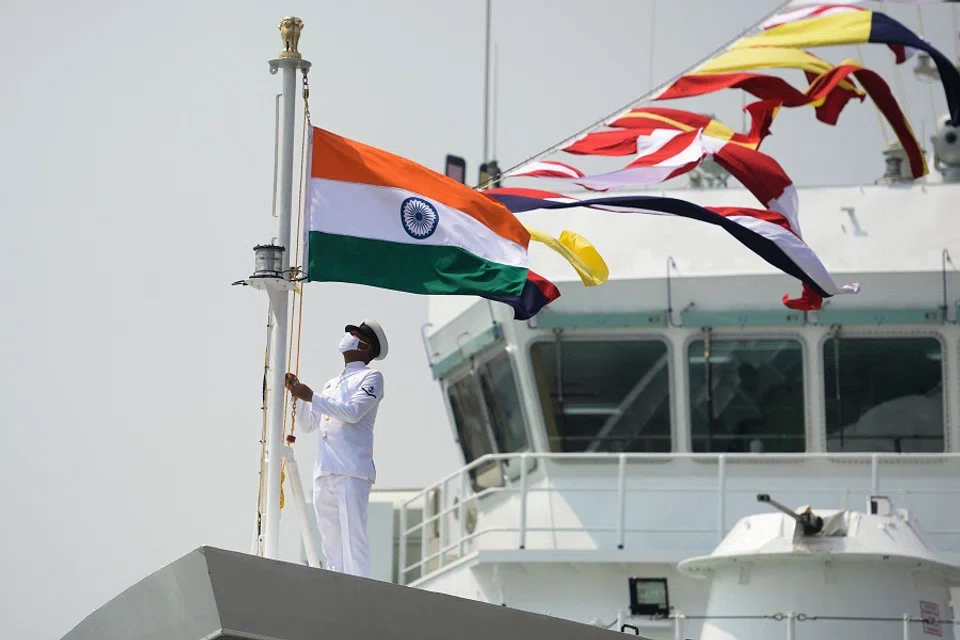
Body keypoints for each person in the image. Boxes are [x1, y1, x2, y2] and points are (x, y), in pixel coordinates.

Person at [284, 319, 388, 578]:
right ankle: (336, 588)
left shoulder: (371, 377)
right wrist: (298, 395)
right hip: (326, 470)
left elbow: (353, 413)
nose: (348, 336)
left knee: (353, 539)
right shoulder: (332, 384)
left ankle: (360, 590)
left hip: (352, 470)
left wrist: (312, 397)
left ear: (366, 347)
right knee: (330, 541)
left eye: (355, 334)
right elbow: (309, 425)